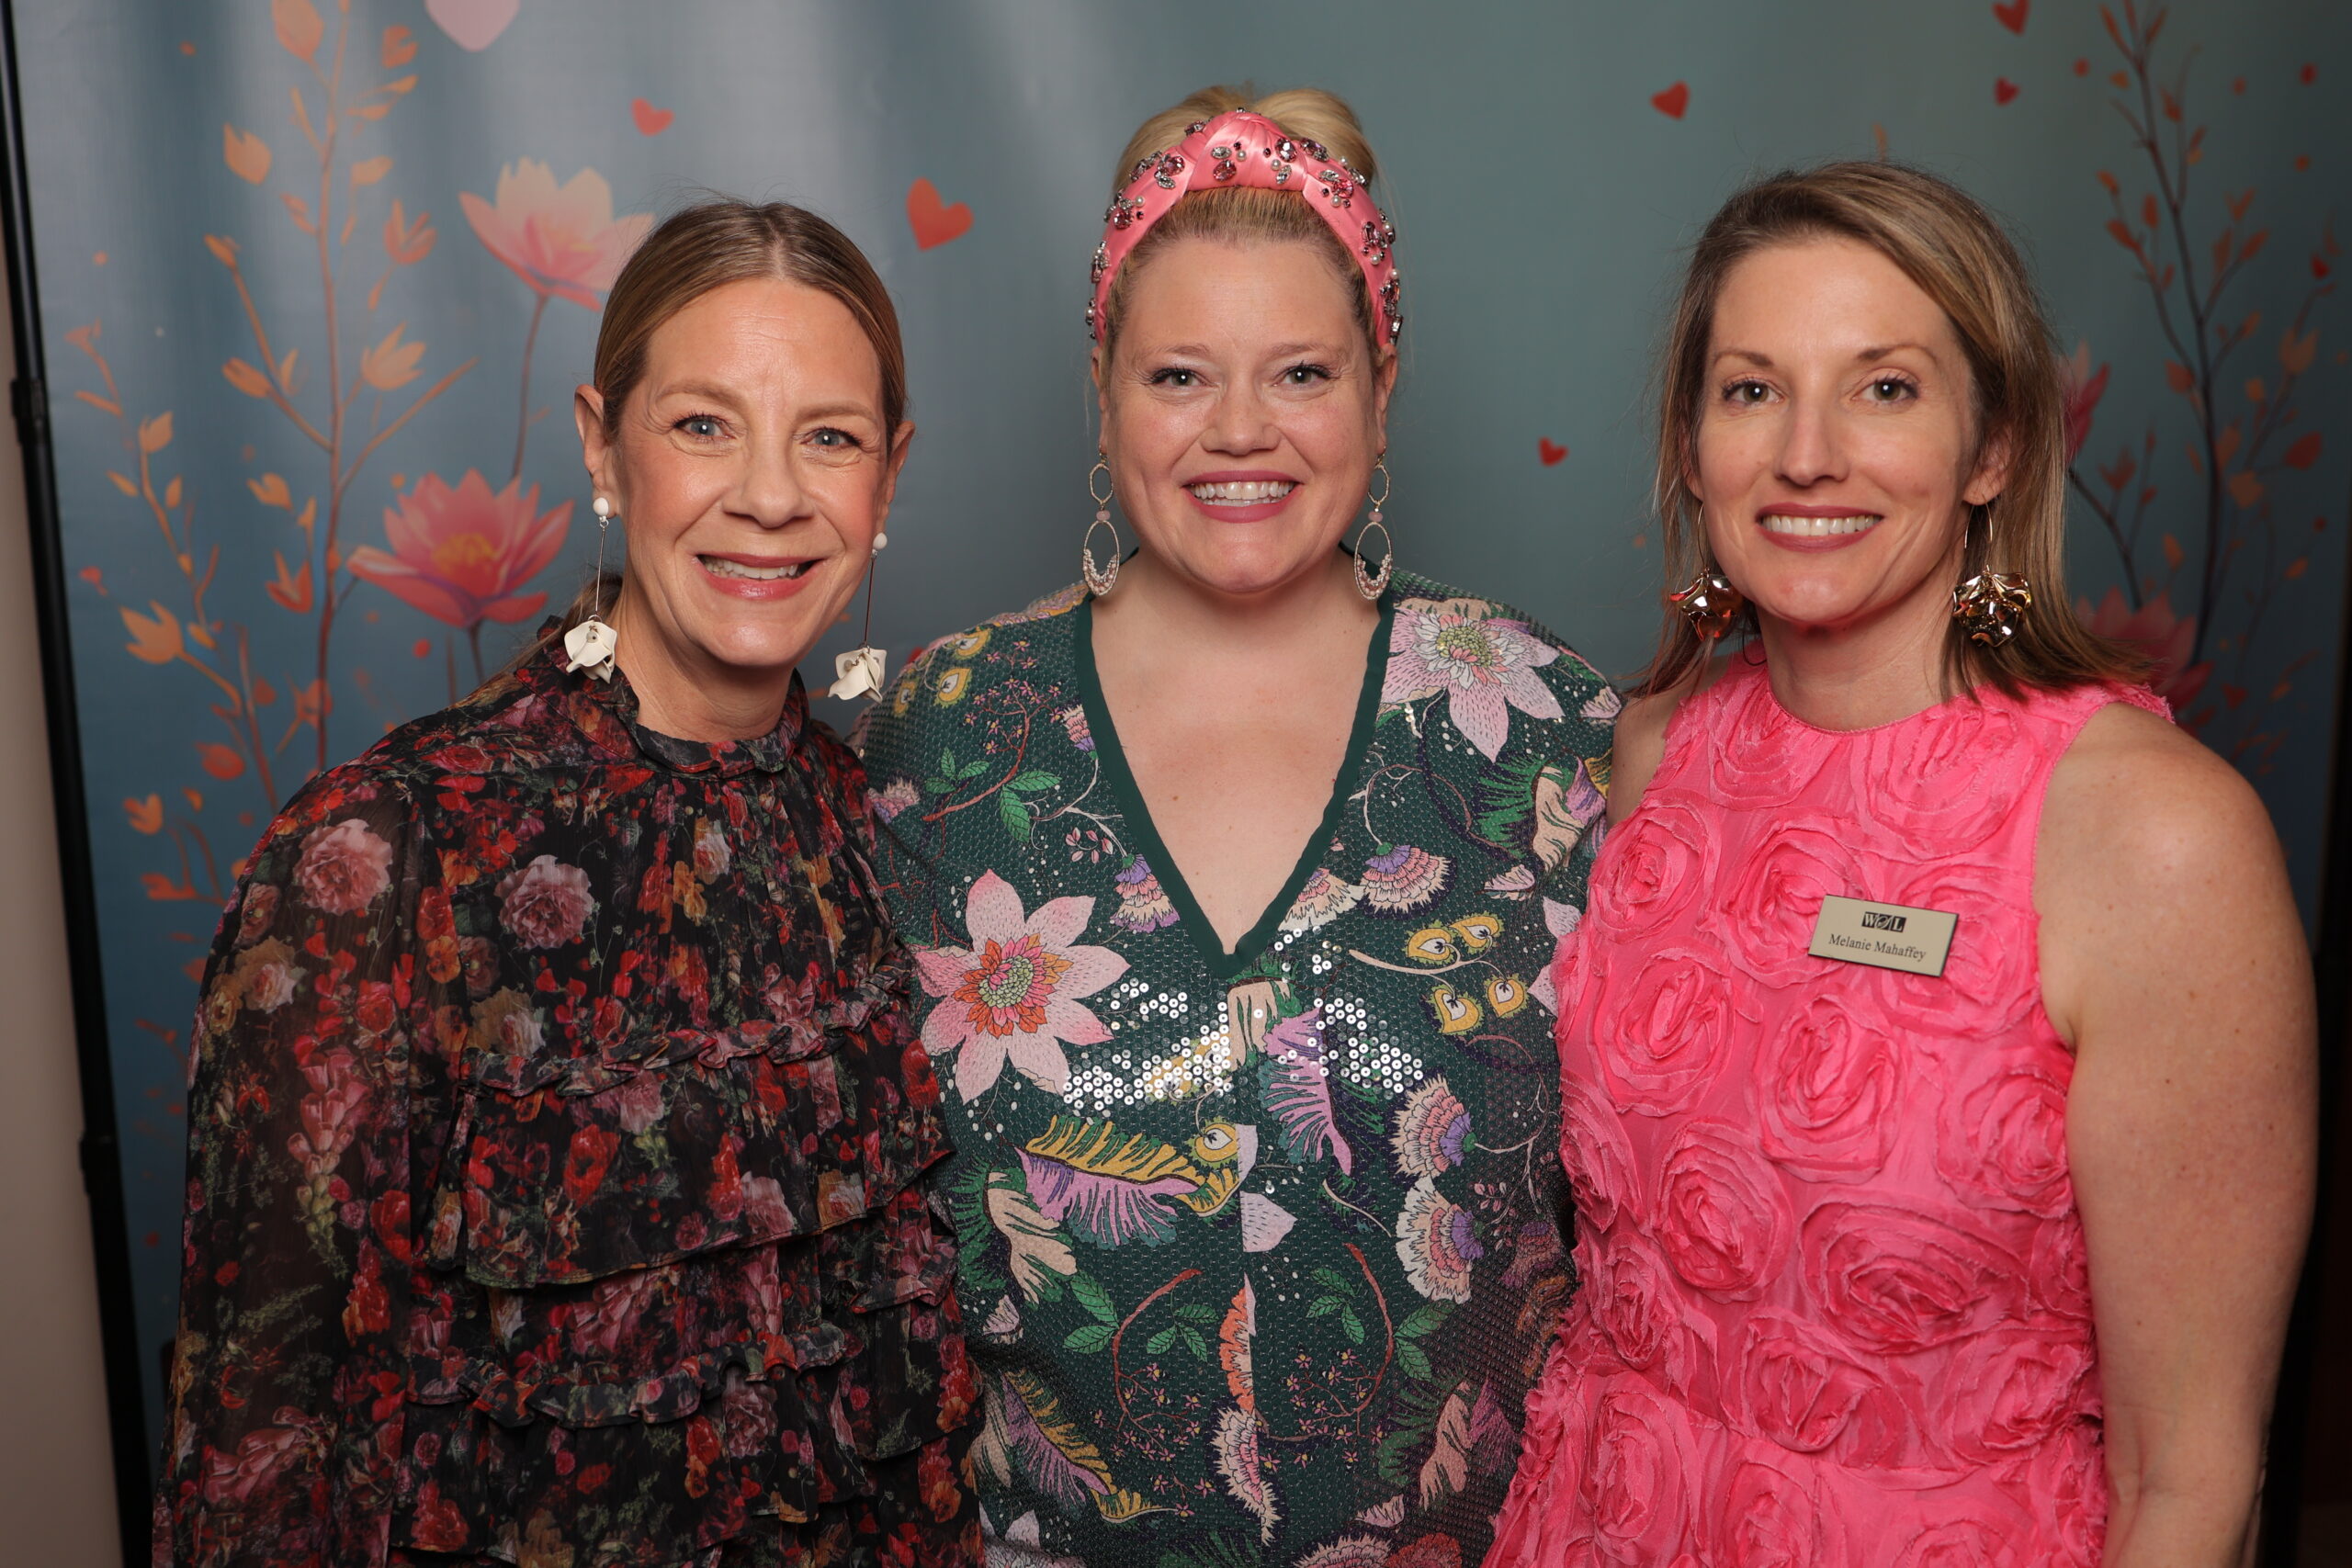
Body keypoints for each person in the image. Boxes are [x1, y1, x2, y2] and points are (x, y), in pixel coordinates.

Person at [1487, 162, 2316, 1566]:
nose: (1808, 454)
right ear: (1693, 447)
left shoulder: (2151, 838)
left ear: (1993, 449)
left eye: (1884, 389)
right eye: (1753, 390)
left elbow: (2193, 1483)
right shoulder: (1657, 752)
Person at [854, 87, 1617, 1567]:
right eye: (1182, 376)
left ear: (1383, 389)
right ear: (1105, 393)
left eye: (1302, 373)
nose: (1241, 432)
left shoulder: (1543, 727)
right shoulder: (943, 738)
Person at [157, 200, 981, 1568]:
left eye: (827, 436)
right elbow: (256, 1449)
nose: (771, 495)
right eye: (703, 424)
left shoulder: (889, 841)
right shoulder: (383, 861)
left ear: (887, 477)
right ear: (606, 443)